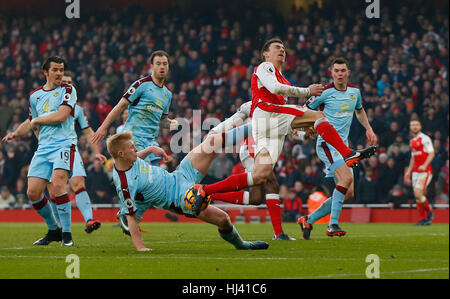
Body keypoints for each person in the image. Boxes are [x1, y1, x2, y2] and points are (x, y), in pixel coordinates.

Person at [192, 39, 376, 214]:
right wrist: (307, 91)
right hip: (268, 115)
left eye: (284, 48)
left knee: (259, 176)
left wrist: (305, 130)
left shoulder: (284, 80)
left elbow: (285, 115)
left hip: (270, 130)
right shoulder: (264, 67)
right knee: (319, 116)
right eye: (277, 47)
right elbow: (275, 89)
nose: (282, 50)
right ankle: (346, 152)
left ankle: (205, 190)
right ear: (265, 53)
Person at [107, 131, 268, 251]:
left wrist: (150, 149)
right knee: (224, 219)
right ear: (121, 154)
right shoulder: (124, 184)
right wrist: (141, 247)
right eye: (131, 147)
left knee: (213, 141)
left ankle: (261, 125)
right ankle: (243, 245)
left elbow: (135, 158)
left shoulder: (129, 160)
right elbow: (132, 218)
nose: (135, 148)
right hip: (181, 198)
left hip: (180, 175)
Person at [298, 57, 378, 239]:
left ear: (348, 73)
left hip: (343, 147)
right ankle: (332, 224)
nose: (340, 74)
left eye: (343, 70)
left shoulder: (355, 92)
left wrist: (369, 128)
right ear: (331, 73)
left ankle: (308, 220)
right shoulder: (324, 93)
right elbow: (304, 110)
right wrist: (308, 128)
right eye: (336, 71)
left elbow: (359, 110)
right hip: (326, 144)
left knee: (348, 192)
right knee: (346, 178)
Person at [2, 56, 77, 246]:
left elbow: (62, 116)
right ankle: (54, 230)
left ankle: (67, 234)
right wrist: (16, 133)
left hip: (63, 144)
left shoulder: (68, 90)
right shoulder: (35, 95)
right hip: (44, 148)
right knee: (33, 192)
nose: (59, 73)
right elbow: (31, 121)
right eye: (55, 70)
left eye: (61, 70)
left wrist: (37, 121)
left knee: (58, 186)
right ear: (46, 72)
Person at [207, 101, 298, 240]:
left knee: (256, 198)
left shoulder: (282, 107)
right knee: (272, 184)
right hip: (253, 148)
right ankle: (279, 233)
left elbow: (292, 127)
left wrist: (302, 132)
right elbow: (233, 120)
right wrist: (214, 132)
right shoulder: (252, 104)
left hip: (266, 150)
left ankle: (211, 195)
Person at [92, 50, 178, 166]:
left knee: (152, 180)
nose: (162, 67)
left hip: (152, 142)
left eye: (165, 63)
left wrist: (171, 124)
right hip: (134, 139)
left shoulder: (167, 94)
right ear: (152, 66)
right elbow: (120, 106)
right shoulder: (141, 84)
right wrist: (103, 127)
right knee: (142, 177)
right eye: (158, 64)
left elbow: (162, 121)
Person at [59, 71, 106, 233]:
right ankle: (56, 228)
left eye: (70, 82)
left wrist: (96, 152)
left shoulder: (77, 110)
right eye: (64, 81)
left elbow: (87, 132)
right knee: (54, 189)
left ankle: (89, 219)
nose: (68, 84)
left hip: (70, 150)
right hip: (50, 150)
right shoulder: (45, 103)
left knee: (79, 183)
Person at [404, 118, 435, 225]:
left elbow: (431, 153)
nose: (415, 126)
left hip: (425, 171)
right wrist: (408, 171)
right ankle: (423, 219)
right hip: (415, 172)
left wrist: (425, 165)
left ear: (420, 126)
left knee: (418, 194)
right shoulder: (412, 141)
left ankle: (430, 212)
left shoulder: (425, 138)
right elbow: (413, 157)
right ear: (410, 127)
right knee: (418, 196)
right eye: (413, 125)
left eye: (416, 124)